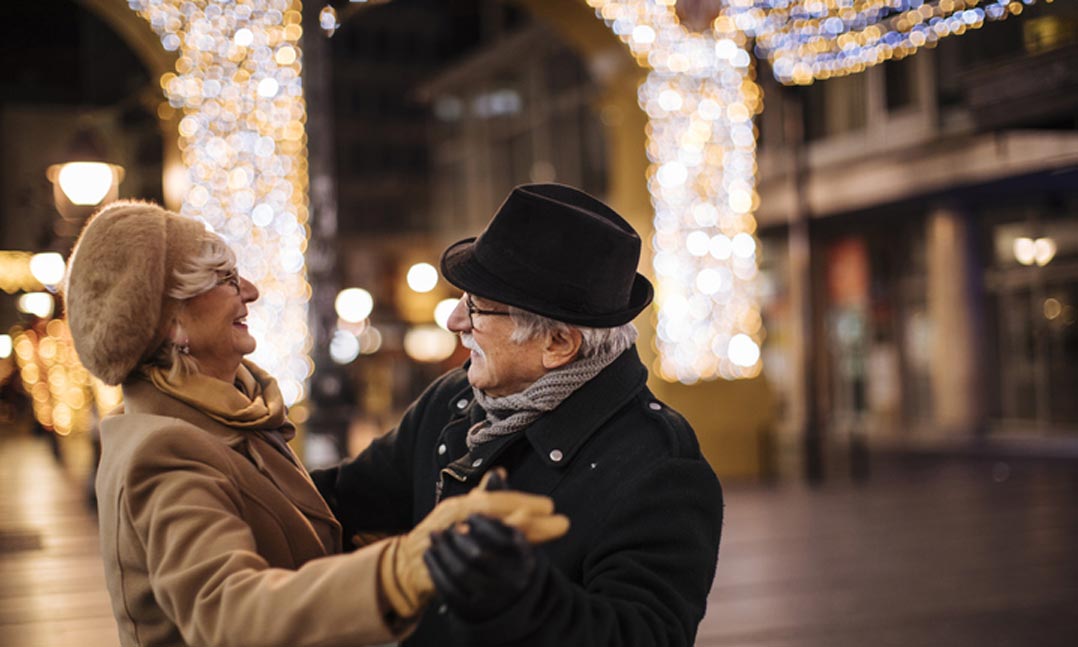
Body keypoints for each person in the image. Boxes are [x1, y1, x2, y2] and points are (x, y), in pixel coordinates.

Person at [63, 200, 568, 647]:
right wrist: (402, 569)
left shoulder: (231, 414)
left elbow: (309, 534)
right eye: (226, 280)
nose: (253, 292)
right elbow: (228, 614)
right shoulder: (167, 448)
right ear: (170, 323)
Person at [312, 183, 724, 646]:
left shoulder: (660, 468)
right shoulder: (453, 400)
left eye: (478, 307)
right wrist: (237, 472)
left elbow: (646, 636)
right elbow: (338, 502)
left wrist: (523, 597)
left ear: (558, 344)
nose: (455, 322)